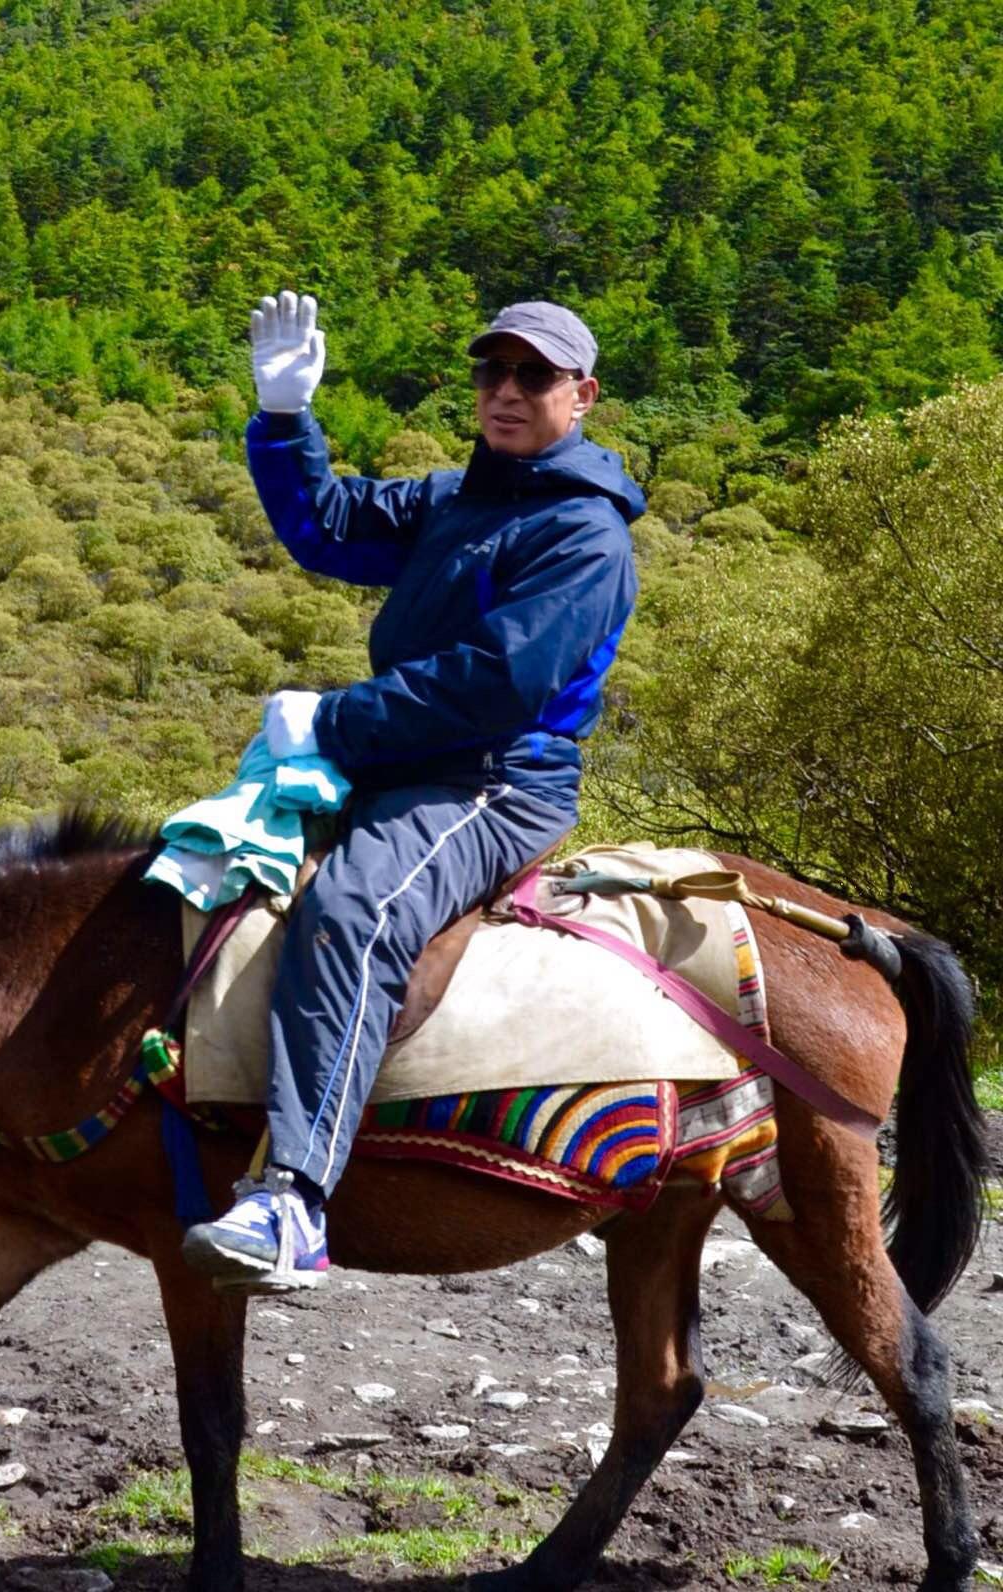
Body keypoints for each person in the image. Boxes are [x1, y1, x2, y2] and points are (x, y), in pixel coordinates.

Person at [180, 292, 645, 1291]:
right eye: (492, 372)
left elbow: (498, 682)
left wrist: (336, 720)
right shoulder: (457, 500)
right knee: (210, 867)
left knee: (355, 906)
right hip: (399, 764)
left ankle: (295, 1200)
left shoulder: (584, 535)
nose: (507, 391)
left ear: (583, 395)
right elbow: (326, 528)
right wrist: (282, 417)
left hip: (492, 780)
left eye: (535, 375)